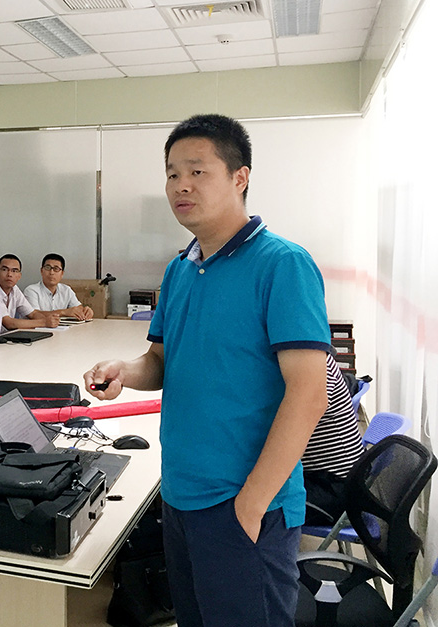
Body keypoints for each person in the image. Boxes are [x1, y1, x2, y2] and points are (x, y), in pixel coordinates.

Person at [83, 114, 330, 627]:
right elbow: (160, 362)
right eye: (172, 174)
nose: (181, 185)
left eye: (197, 171)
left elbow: (309, 393)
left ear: (240, 177)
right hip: (179, 495)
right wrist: (124, 371)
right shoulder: (179, 269)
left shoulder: (282, 264)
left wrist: (252, 504)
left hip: (245, 504)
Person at [302, 351, 364, 526]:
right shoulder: (313, 358)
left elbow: (287, 434)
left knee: (257, 501)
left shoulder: (314, 365)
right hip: (330, 479)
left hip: (336, 488)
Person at [0, 253, 60, 332]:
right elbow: (8, 323)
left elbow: (32, 314)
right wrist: (44, 322)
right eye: (5, 269)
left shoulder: (14, 289)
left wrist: (49, 321)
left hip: (7, 336)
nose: (9, 274)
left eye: (14, 271)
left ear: (19, 276)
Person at [23, 253, 94, 320]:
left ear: (62, 273)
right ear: (42, 271)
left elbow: (78, 308)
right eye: (48, 268)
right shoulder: (31, 290)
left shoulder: (66, 290)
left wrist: (85, 311)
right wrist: (63, 312)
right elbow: (34, 315)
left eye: (56, 269)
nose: (51, 272)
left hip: (63, 328)